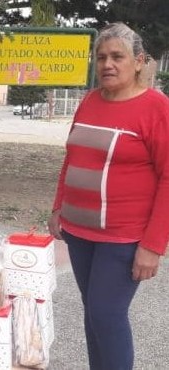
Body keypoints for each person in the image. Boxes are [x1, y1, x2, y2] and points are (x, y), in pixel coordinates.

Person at [48, 22, 169, 370]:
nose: (107, 64)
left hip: (124, 237)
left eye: (117, 56)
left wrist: (153, 245)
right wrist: (59, 207)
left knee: (106, 313)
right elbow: (73, 156)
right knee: (94, 314)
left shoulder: (156, 108)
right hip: (79, 233)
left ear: (139, 61)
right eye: (101, 57)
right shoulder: (89, 100)